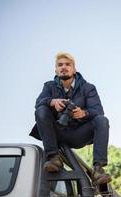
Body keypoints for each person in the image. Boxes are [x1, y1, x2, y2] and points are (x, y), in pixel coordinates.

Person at [29, 52, 111, 185]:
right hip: (56, 132)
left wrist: (83, 113)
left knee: (102, 120)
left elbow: (98, 111)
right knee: (41, 109)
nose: (64, 67)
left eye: (68, 64)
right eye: (60, 65)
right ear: (56, 70)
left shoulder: (88, 88)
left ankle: (98, 169)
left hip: (78, 133)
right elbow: (39, 102)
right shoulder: (49, 86)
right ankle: (53, 158)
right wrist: (53, 102)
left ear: (74, 69)